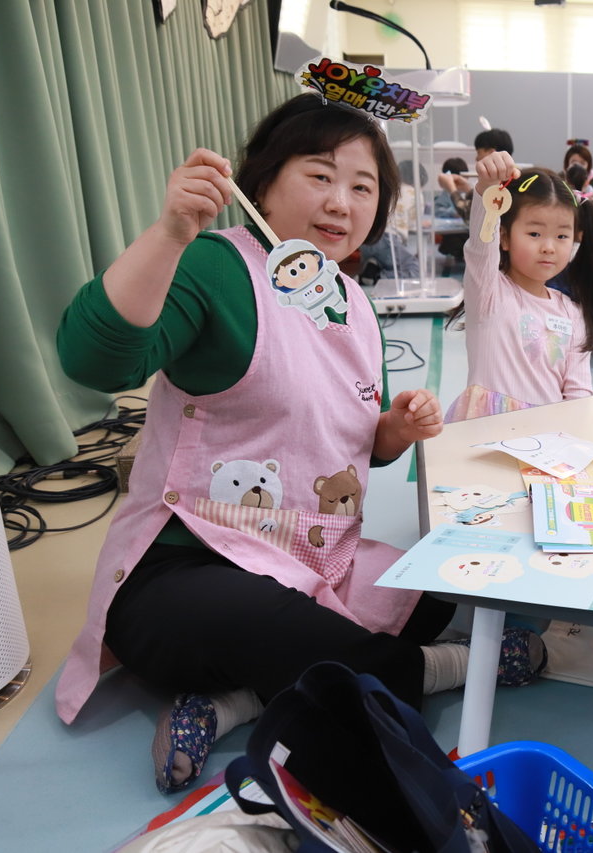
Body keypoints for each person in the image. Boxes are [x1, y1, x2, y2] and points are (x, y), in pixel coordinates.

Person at [53, 94, 548, 794]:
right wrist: (168, 234)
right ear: (262, 182)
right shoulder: (218, 265)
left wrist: (397, 428)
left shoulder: (350, 302)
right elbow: (95, 361)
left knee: (443, 591)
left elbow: (356, 448)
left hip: (315, 555)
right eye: (319, 175)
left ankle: (231, 702)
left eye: (363, 187)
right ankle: (452, 668)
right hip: (180, 570)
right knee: (293, 630)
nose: (341, 202)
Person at [447, 152, 593, 420]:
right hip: (486, 434)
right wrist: (487, 189)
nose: (549, 247)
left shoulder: (572, 313)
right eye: (534, 233)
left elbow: (578, 393)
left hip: (545, 436)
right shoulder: (488, 292)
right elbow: (480, 246)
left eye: (562, 236)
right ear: (504, 237)